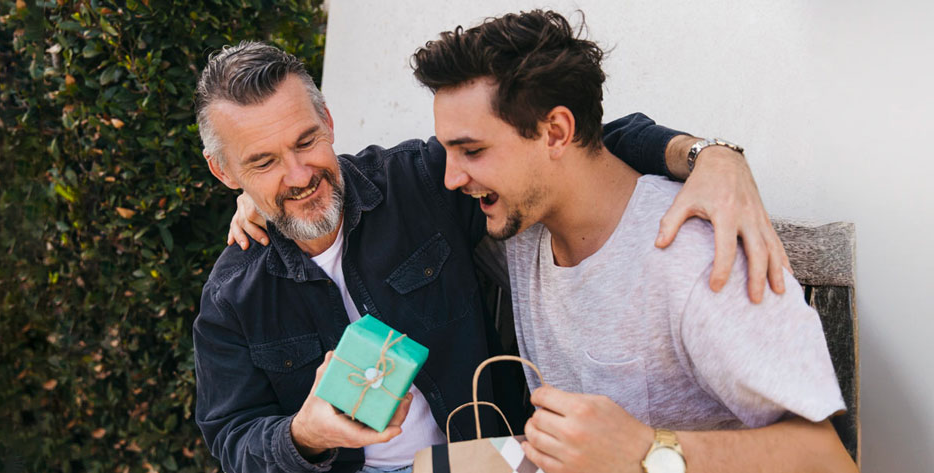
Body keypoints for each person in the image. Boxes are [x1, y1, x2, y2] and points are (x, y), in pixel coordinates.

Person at [195, 39, 786, 473]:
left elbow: (581, 146)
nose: (299, 176)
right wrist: (303, 435)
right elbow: (232, 435)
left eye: (305, 141)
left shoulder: (418, 184)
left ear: (327, 122)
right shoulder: (231, 297)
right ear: (225, 172)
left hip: (492, 459)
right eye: (263, 162)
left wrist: (711, 157)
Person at [407, 10, 857, 473]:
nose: (452, 177)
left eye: (473, 150)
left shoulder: (697, 255)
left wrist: (647, 450)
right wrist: (708, 153)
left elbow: (830, 461)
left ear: (556, 133)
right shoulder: (523, 225)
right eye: (449, 151)